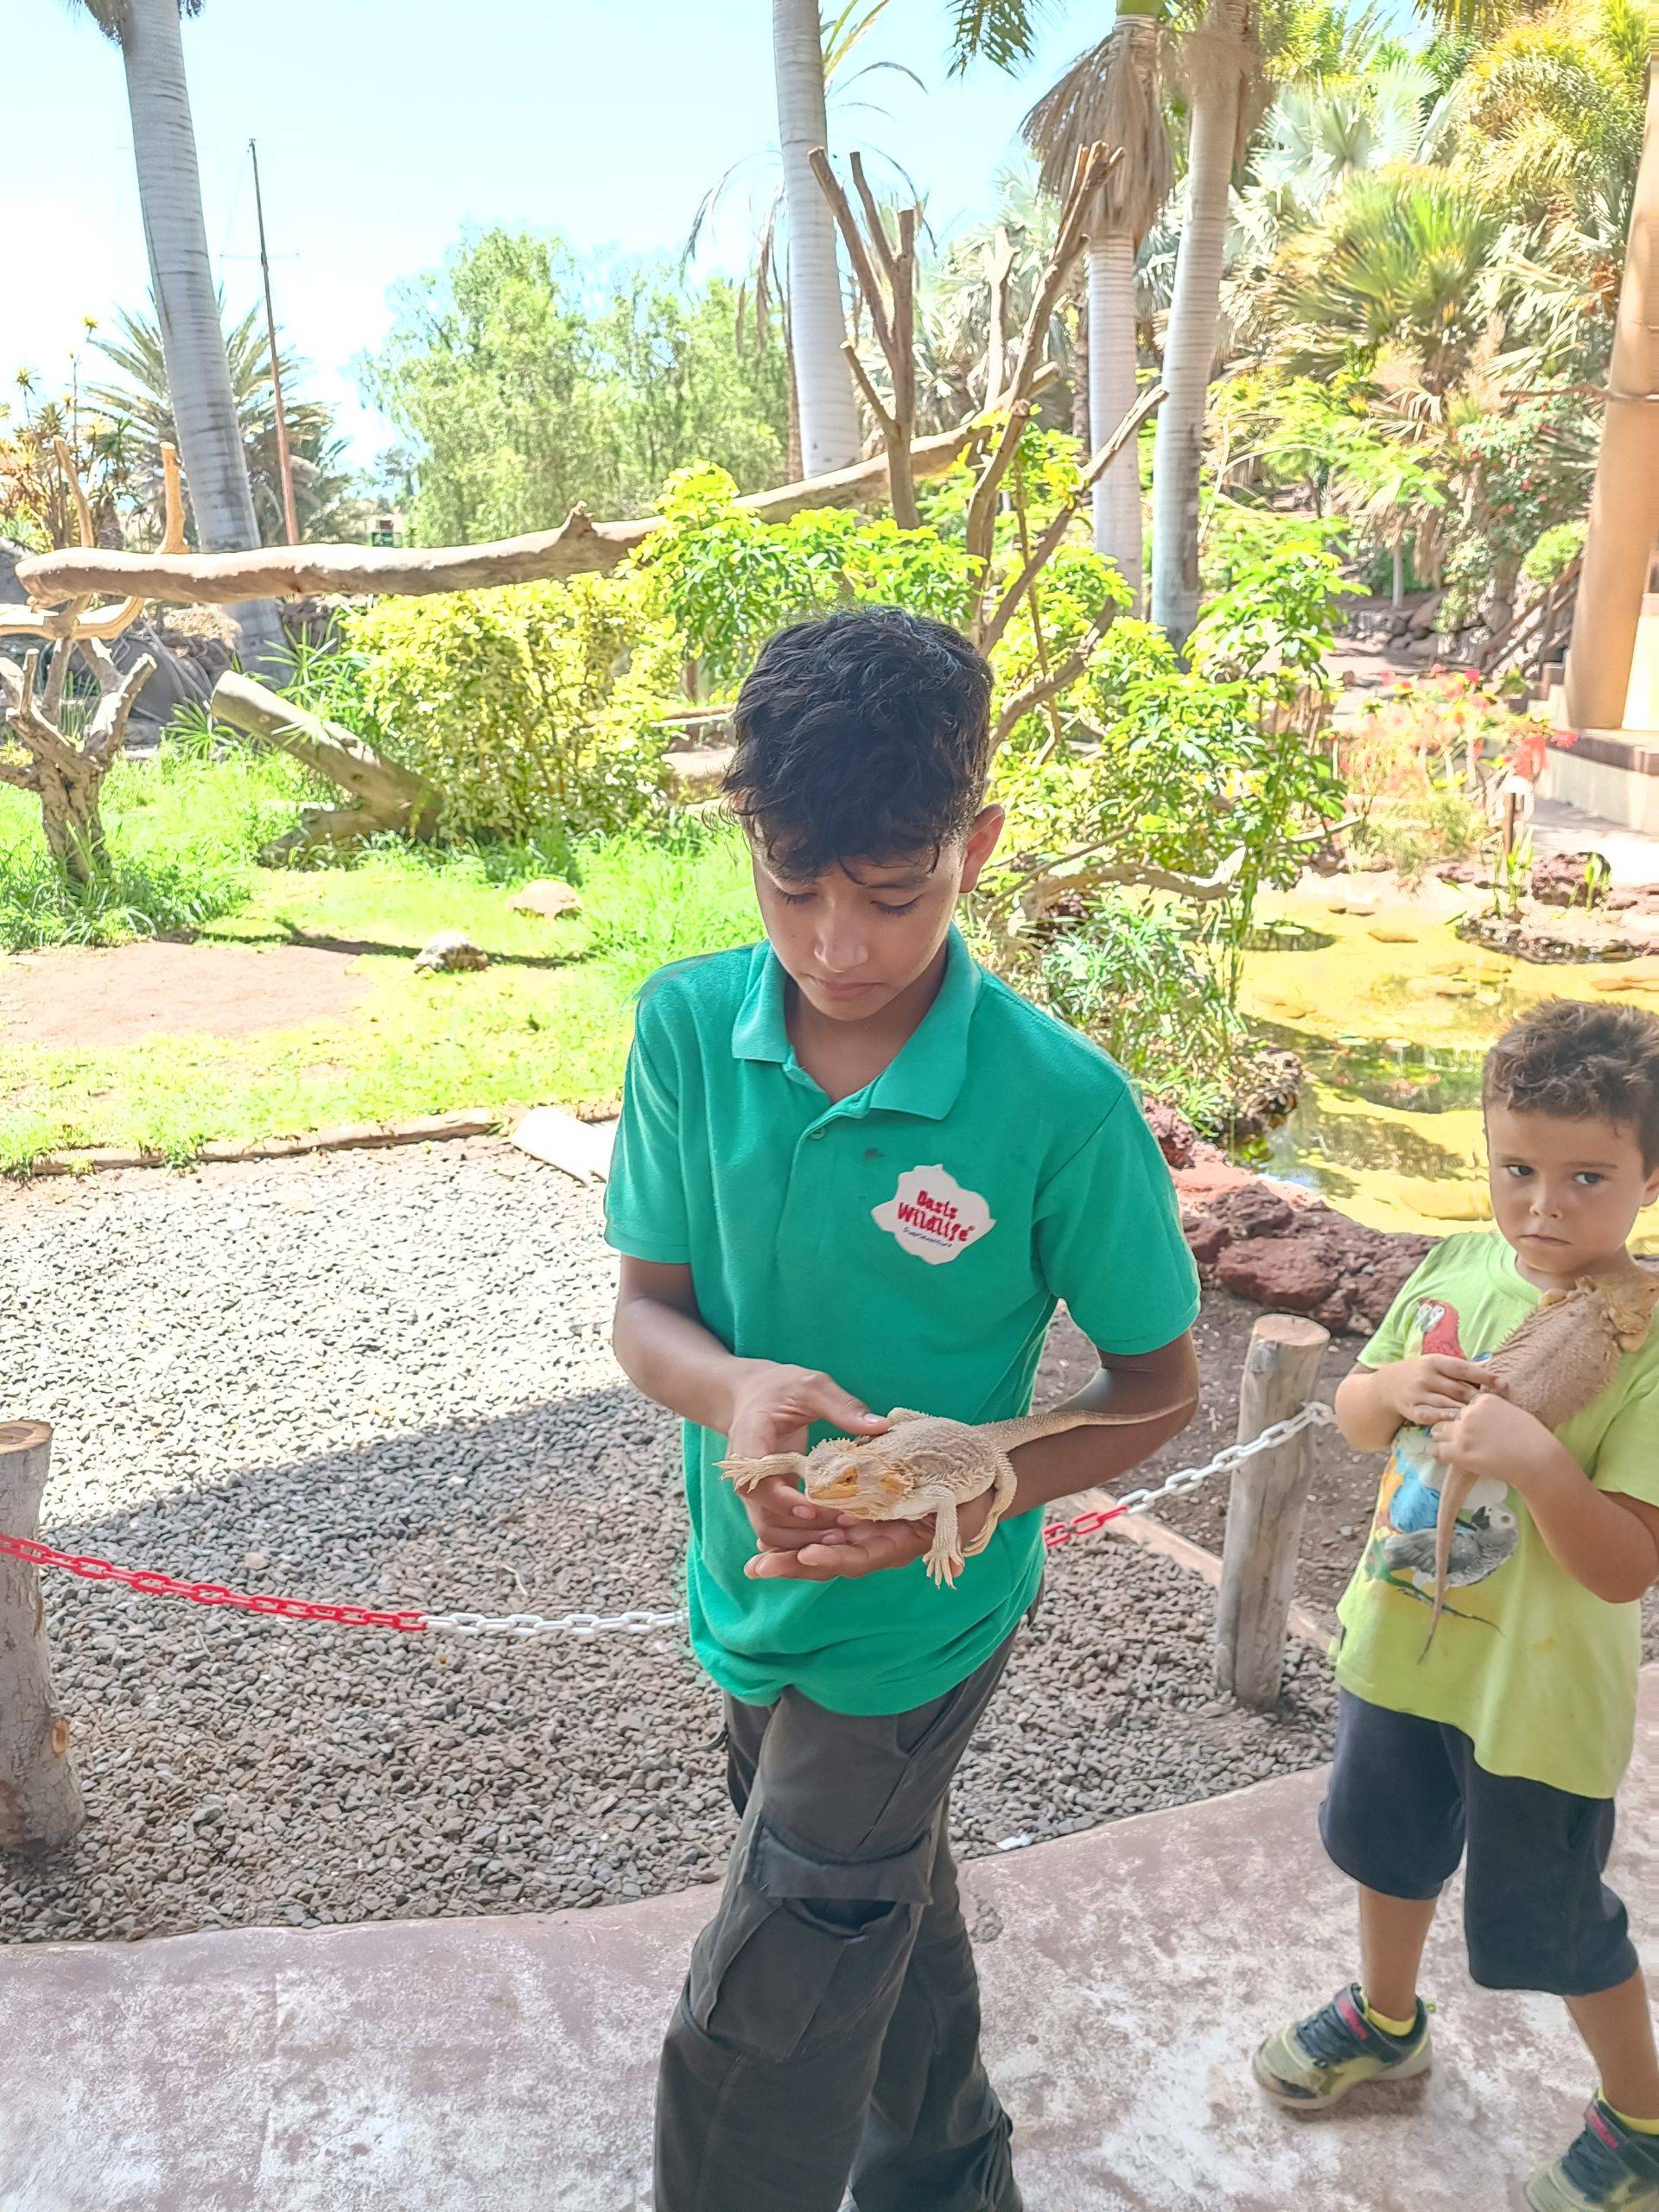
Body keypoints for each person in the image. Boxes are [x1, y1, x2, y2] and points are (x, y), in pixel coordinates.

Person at [605, 606, 1200, 2212]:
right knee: (883, 1923)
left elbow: (1159, 1387)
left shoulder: (1059, 1103)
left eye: (893, 894)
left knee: (764, 2022)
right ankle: (956, 2188)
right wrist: (736, 1395)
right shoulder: (683, 1028)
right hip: (752, 1581)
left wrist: (976, 1491)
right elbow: (647, 1313)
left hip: (921, 1627)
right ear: (749, 842)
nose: (838, 948)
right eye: (793, 888)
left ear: (977, 846)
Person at [1253, 998, 1659, 2212]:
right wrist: (1394, 1386)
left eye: (1588, 1176)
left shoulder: (1644, 1338)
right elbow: (1354, 1416)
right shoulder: (1452, 1266)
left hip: (1534, 1694)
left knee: (1554, 1919)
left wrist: (1537, 1458)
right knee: (1387, 1849)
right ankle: (1386, 2019)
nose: (1544, 1205)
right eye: (1517, 1168)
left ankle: (1641, 2117)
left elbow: (1624, 1567)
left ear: (1649, 1174)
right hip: (1399, 1653)